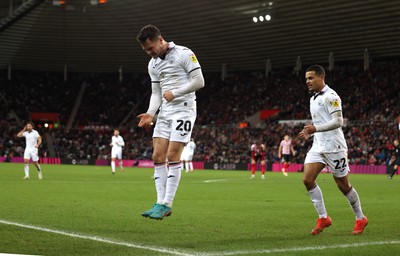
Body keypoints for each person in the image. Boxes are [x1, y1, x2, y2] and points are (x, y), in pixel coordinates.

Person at [136, 25, 205, 220]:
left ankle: (167, 204)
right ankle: (159, 202)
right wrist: (150, 113)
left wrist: (175, 93)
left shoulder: (184, 53)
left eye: (151, 49)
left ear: (160, 40)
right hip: (165, 112)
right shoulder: (153, 64)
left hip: (184, 110)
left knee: (173, 155)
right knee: (158, 156)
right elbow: (156, 92)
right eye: (146, 51)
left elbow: (199, 81)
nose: (150, 53)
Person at [299, 65, 368, 235]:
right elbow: (320, 122)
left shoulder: (331, 96)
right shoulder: (313, 98)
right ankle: (323, 218)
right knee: (307, 180)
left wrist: (315, 128)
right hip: (318, 145)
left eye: (311, 78)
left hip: (334, 147)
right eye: (306, 78)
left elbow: (338, 122)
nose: (307, 81)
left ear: (321, 77)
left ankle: (360, 218)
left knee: (343, 185)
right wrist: (310, 131)